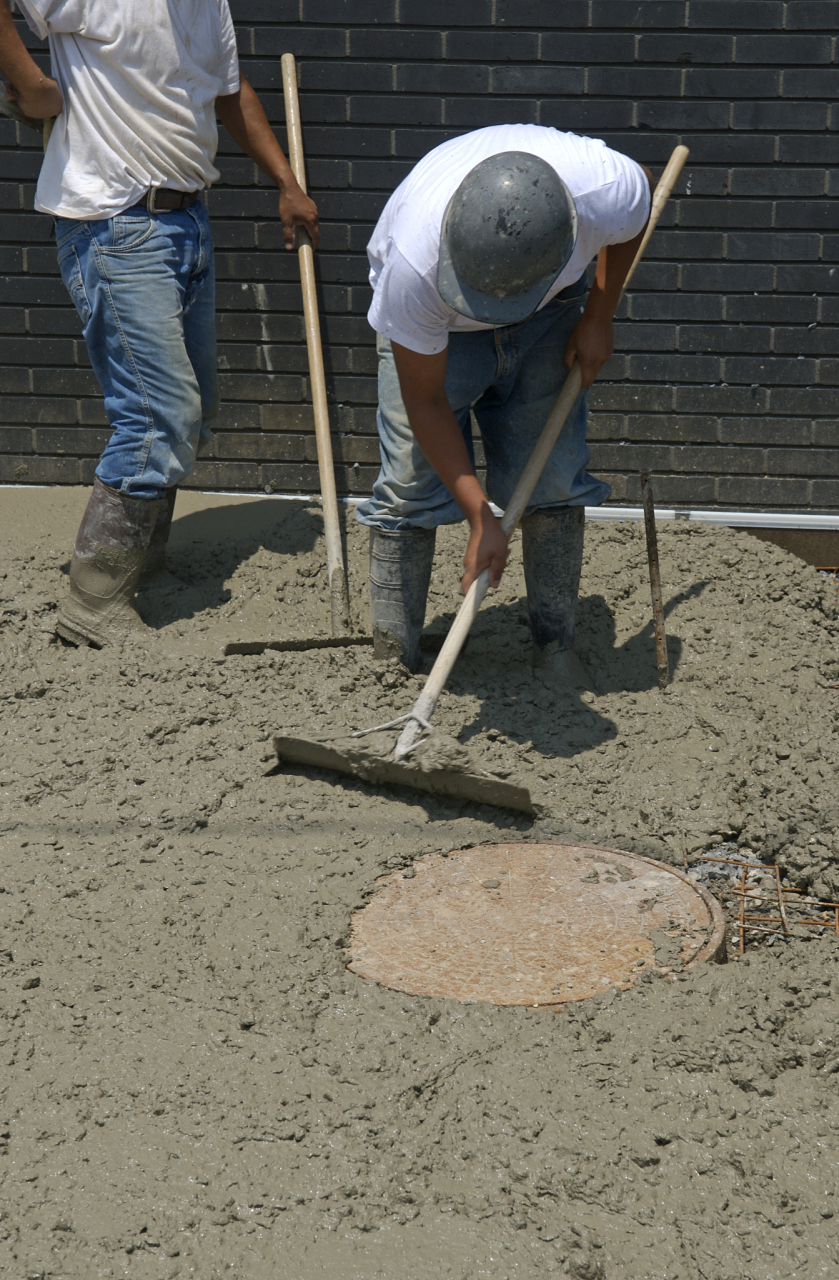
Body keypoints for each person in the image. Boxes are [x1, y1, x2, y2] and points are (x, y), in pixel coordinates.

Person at [0, 0, 319, 647]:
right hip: (116, 225)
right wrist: (29, 83)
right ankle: (92, 604)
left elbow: (230, 94)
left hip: (186, 222)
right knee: (156, 417)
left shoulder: (208, 7)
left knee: (190, 412)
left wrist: (285, 180)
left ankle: (139, 561)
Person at [355, 124, 653, 684]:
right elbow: (424, 401)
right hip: (439, 328)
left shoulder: (603, 190)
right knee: (408, 486)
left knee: (554, 477)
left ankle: (554, 650)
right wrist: (479, 516)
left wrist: (599, 315)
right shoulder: (412, 267)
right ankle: (391, 663)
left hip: (551, 316)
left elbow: (638, 208)